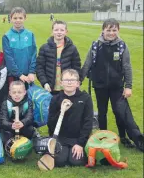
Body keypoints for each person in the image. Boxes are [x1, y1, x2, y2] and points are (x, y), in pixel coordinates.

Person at [81, 18, 141, 149]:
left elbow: (127, 67)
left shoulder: (122, 46)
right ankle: (104, 137)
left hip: (117, 87)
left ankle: (123, 137)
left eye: (114, 30)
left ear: (118, 30)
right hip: (99, 86)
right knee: (102, 113)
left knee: (119, 112)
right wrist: (78, 81)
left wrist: (128, 86)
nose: (111, 33)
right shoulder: (96, 45)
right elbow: (87, 64)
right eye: (108, 30)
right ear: (102, 30)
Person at [47, 69, 93, 167]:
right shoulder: (55, 99)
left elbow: (88, 122)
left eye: (72, 80)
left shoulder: (85, 98)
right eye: (66, 80)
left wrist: (80, 143)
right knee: (59, 161)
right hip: (61, 138)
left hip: (77, 138)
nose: (69, 82)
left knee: (76, 161)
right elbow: (50, 123)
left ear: (78, 83)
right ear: (61, 83)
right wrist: (61, 111)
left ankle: (75, 150)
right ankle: (64, 152)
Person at [36, 20, 81, 95]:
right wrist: (44, 82)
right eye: (56, 30)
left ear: (66, 32)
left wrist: (76, 82)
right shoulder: (44, 48)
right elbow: (39, 67)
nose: (59, 32)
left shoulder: (72, 48)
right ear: (52, 31)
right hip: (50, 88)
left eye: (62, 30)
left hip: (67, 88)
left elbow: (76, 68)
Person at [2, 7, 37, 90]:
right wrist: (19, 75)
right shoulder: (6, 36)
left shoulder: (30, 34)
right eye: (15, 18)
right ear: (10, 19)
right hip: (14, 76)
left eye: (20, 18)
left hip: (28, 76)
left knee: (29, 100)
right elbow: (8, 58)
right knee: (15, 99)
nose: (18, 20)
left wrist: (32, 72)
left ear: (25, 18)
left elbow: (34, 54)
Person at [0, 81, 39, 145]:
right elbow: (3, 120)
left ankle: (31, 141)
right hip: (10, 127)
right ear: (10, 93)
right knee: (5, 138)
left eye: (19, 92)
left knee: (30, 130)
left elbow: (30, 116)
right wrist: (11, 125)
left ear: (24, 92)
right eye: (14, 92)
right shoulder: (6, 103)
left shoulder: (28, 102)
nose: (17, 94)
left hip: (23, 126)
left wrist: (23, 122)